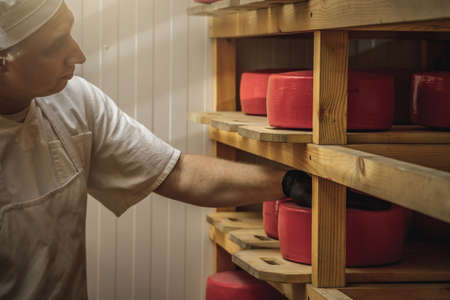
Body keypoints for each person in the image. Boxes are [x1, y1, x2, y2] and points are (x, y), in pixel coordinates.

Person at [0, 1, 311, 299]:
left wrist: (290, 183)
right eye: (55, 46)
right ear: (3, 61)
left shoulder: (75, 102)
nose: (78, 55)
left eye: (70, 32)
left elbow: (178, 173)